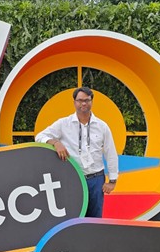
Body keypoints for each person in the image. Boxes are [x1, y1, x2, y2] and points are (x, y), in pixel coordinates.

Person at [35, 86, 118, 217]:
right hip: (73, 178)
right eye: (80, 100)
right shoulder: (64, 124)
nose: (83, 103)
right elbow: (40, 136)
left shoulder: (102, 126)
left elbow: (110, 153)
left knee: (95, 218)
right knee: (74, 217)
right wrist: (55, 143)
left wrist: (112, 181)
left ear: (91, 102)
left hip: (96, 179)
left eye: (87, 100)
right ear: (74, 102)